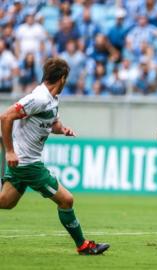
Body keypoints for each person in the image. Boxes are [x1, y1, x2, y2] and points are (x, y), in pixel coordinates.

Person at [0, 58, 110, 255]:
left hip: (23, 162)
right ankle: (83, 245)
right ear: (62, 78)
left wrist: (63, 129)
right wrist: (9, 150)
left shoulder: (51, 100)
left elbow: (52, 123)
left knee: (6, 202)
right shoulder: (39, 98)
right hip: (28, 164)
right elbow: (6, 116)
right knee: (66, 200)